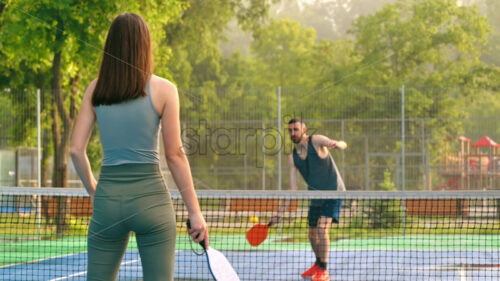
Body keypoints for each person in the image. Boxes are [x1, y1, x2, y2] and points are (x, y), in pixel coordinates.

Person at [70, 13, 208, 281]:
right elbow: (175, 155)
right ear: (145, 45)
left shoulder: (95, 90)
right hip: (152, 203)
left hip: (108, 202)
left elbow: (76, 150)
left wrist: (94, 191)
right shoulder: (165, 90)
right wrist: (195, 212)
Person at [270, 117, 346, 281]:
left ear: (304, 130)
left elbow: (339, 143)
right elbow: (293, 188)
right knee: (312, 232)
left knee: (321, 228)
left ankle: (324, 270)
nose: (292, 133)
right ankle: (318, 263)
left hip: (334, 192)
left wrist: (338, 144)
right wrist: (280, 213)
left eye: (295, 129)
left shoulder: (316, 140)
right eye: (290, 130)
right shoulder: (293, 156)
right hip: (316, 196)